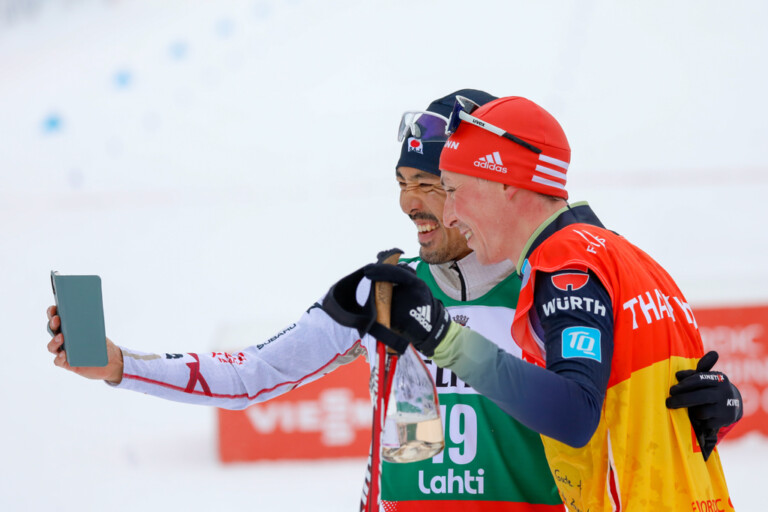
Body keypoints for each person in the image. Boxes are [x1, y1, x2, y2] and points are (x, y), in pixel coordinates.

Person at [47, 91, 740, 512]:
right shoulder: (384, 289)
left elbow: (619, 404)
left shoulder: (553, 282)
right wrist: (119, 365)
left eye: (435, 183)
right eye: (403, 182)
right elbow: (253, 375)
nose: (413, 205)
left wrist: (721, 403)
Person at [350, 95, 742, 511]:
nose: (447, 214)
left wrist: (446, 341)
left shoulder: (564, 265)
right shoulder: (627, 259)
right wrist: (721, 406)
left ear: (502, 182)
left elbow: (576, 413)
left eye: (449, 188)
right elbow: (649, 409)